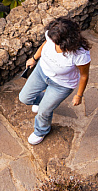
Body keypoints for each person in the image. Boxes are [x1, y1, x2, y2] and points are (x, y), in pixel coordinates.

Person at [19, 17, 91, 146]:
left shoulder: (80, 55)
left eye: (56, 42)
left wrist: (78, 95)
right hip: (41, 72)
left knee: (44, 112)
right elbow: (45, 44)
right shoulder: (53, 35)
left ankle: (41, 131)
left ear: (67, 42)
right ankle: (45, 101)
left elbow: (84, 75)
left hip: (62, 85)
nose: (52, 42)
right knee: (24, 98)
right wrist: (34, 58)